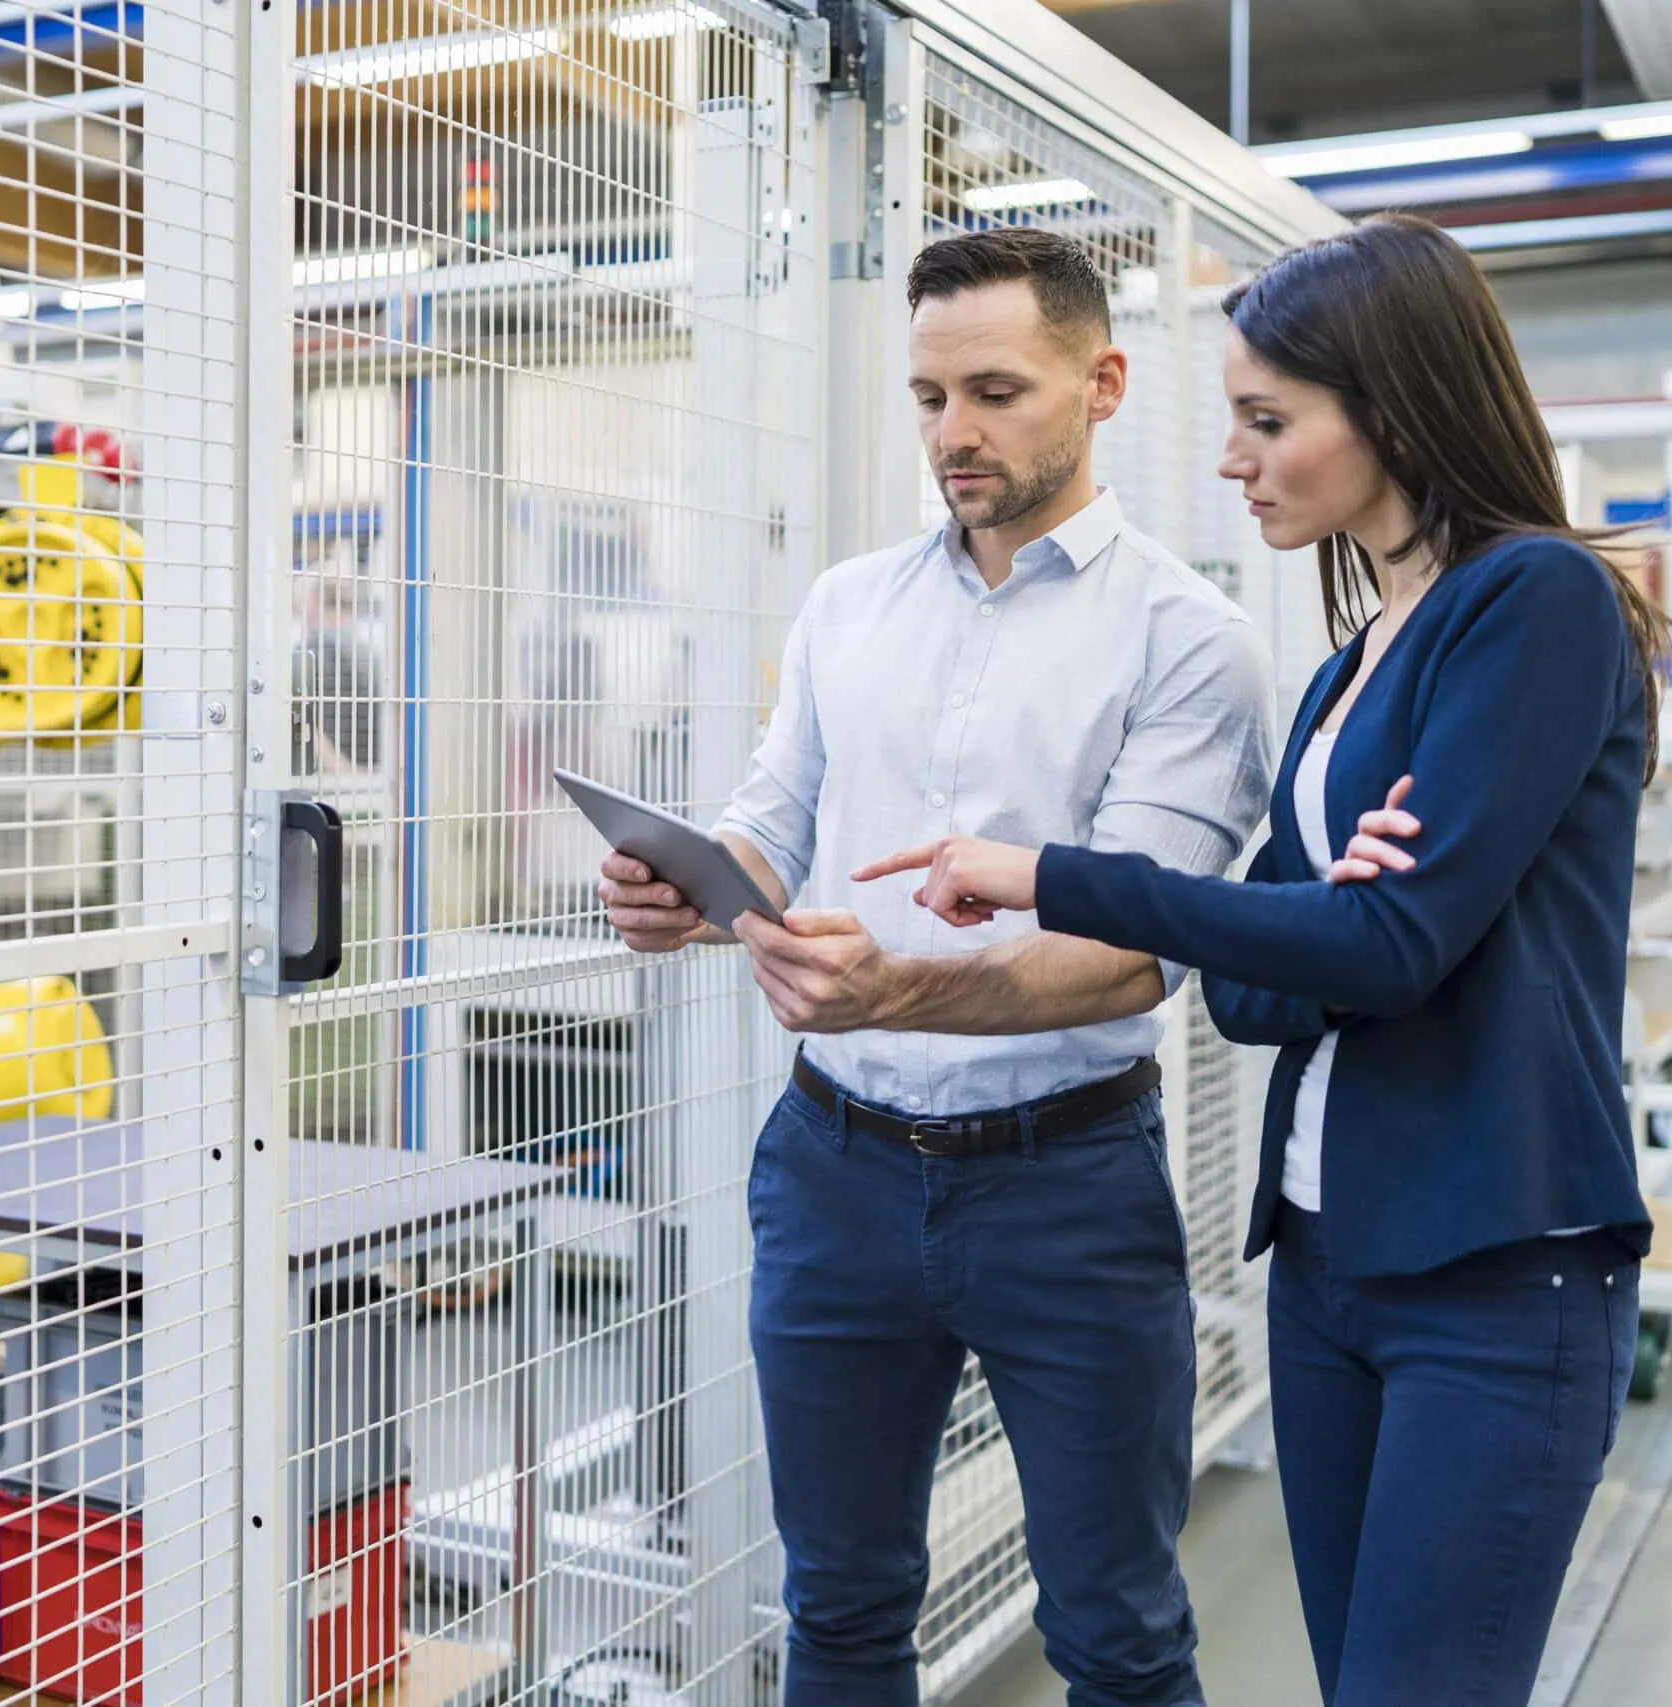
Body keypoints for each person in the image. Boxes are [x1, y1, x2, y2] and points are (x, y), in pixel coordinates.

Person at [872, 213, 1664, 1707]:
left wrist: (1060, 875)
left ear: (1396, 404)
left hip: (1494, 1273)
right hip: (1325, 1263)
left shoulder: (1535, 603)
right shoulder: (1350, 665)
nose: (1231, 458)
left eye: (1265, 420)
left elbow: (1385, 944)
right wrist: (1339, 931)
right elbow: (1253, 983)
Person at [601, 227, 1274, 1707]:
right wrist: (691, 885)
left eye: (993, 390)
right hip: (836, 1167)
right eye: (925, 397)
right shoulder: (851, 603)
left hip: (1067, 1189)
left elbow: (1129, 956)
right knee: (838, 1608)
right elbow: (775, 823)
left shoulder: (1189, 643)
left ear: (1102, 384)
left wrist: (898, 987)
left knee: (1117, 1626)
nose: (952, 434)